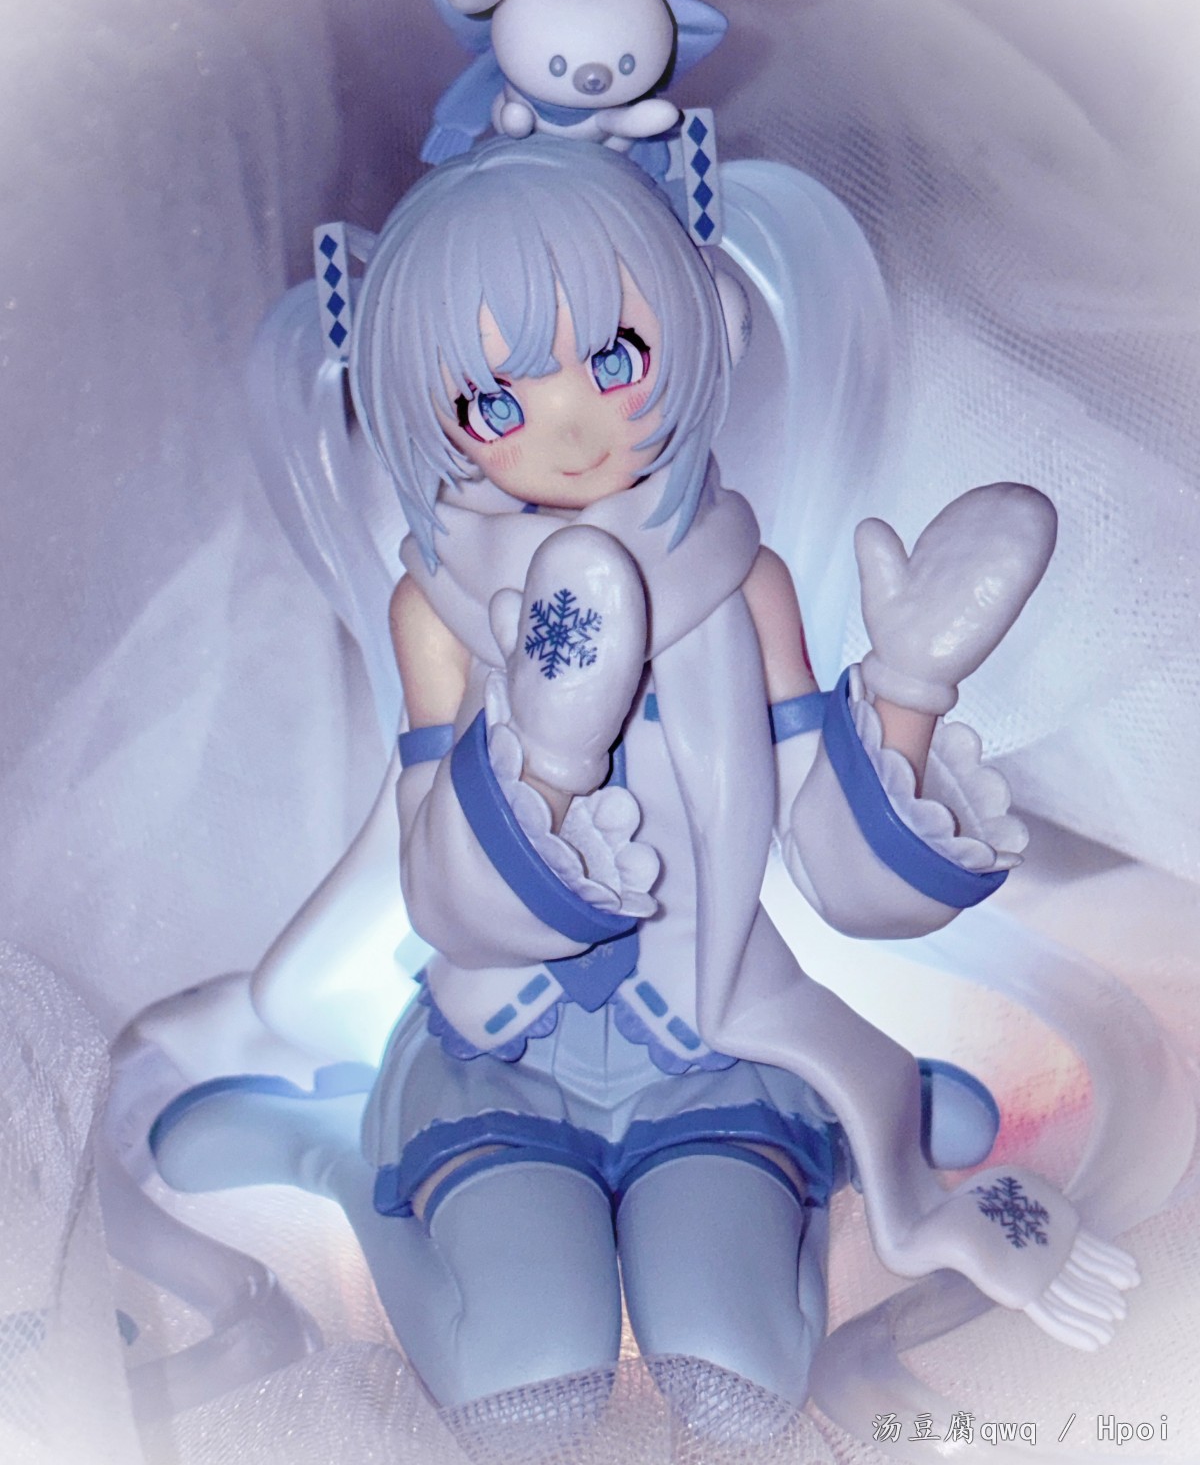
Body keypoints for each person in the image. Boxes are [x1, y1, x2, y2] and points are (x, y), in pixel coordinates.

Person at [147, 135, 1136, 1431]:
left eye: (616, 359)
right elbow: (433, 874)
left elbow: (825, 851)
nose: (569, 426)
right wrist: (548, 766)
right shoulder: (436, 609)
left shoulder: (744, 580)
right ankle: (339, 1154)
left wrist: (904, 694)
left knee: (735, 1382)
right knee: (527, 1388)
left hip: (714, 1046)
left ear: (694, 324)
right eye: (493, 402)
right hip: (501, 1054)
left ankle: (847, 1138)